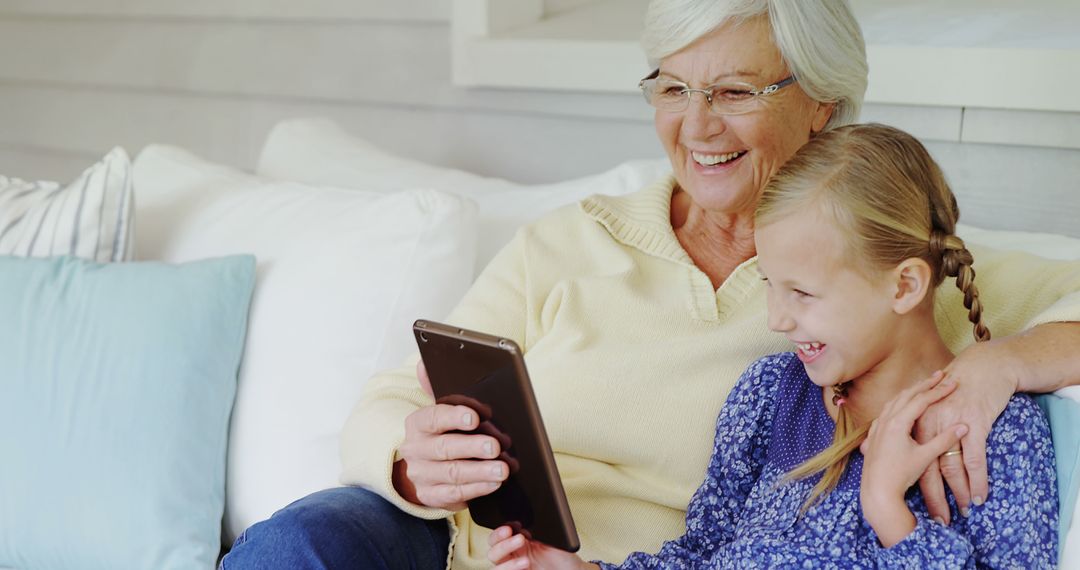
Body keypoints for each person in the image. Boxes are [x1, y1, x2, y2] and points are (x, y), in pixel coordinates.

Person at [220, 1, 1080, 568]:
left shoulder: (872, 261)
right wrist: (413, 461)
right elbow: (388, 400)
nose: (695, 124)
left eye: (733, 90)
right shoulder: (572, 239)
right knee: (297, 543)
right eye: (672, 87)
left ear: (822, 100)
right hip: (459, 547)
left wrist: (1000, 365)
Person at [485, 123, 1058, 569]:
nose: (778, 319)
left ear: (904, 285)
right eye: (770, 287)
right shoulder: (769, 395)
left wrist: (888, 511)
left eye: (803, 293)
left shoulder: (993, 434)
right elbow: (699, 554)